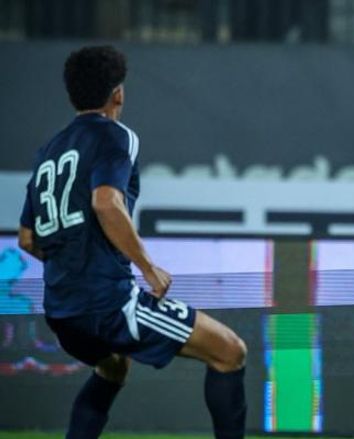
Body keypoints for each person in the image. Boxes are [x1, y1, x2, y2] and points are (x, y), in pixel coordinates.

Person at [17, 46, 247, 438]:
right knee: (230, 351)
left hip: (60, 310)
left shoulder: (48, 152)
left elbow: (27, 239)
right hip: (106, 304)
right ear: (118, 94)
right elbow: (106, 202)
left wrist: (73, 263)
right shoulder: (115, 135)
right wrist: (147, 267)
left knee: (112, 366)